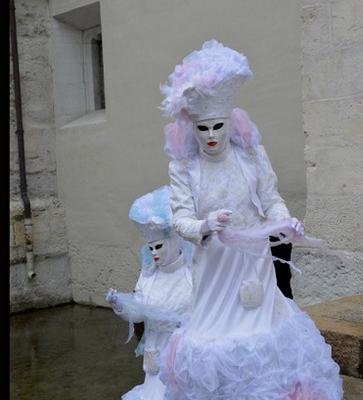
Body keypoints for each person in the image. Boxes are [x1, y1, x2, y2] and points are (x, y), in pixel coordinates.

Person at [158, 40, 343, 399]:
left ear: (230, 121)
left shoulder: (251, 156)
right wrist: (206, 224)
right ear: (192, 129)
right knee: (217, 337)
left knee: (265, 328)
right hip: (214, 268)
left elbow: (271, 199)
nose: (211, 135)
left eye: (217, 126)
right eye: (203, 128)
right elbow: (179, 219)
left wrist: (286, 221)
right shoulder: (185, 168)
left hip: (254, 262)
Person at [106, 185, 193, 400]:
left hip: (186, 353)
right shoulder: (148, 276)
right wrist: (120, 305)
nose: (154, 253)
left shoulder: (192, 273)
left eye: (159, 246)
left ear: (173, 242)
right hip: (156, 352)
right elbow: (139, 311)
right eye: (150, 248)